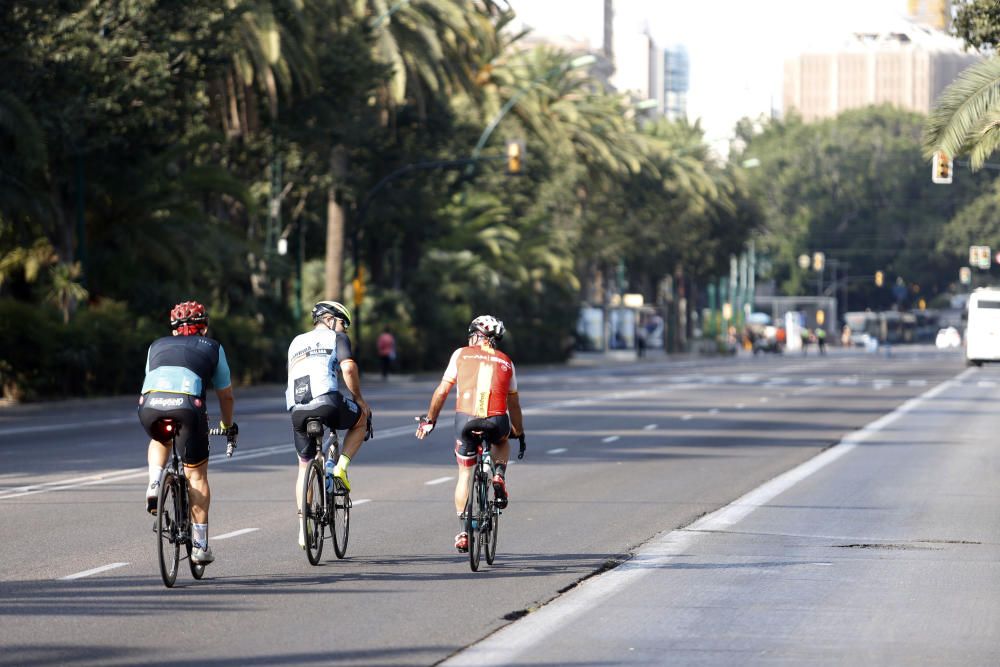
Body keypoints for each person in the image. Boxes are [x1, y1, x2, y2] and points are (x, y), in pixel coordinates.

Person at [415, 315, 525, 553]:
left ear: (476, 335)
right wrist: (520, 432)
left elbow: (442, 390)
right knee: (503, 441)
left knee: (464, 474)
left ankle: (464, 532)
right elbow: (513, 405)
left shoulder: (460, 354)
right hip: (496, 420)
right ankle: (499, 475)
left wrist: (429, 420)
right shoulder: (507, 361)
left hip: (464, 420)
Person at [138, 300, 236, 566]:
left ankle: (155, 482)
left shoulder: (156, 345)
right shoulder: (213, 347)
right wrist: (228, 426)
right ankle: (201, 547)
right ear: (204, 328)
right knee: (196, 475)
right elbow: (225, 396)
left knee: (160, 438)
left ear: (173, 331)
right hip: (187, 407)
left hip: (150, 405)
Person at [286, 301, 371, 549]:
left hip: (297, 407)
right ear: (330, 320)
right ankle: (340, 467)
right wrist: (358, 399)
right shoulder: (337, 338)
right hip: (327, 402)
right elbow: (349, 367)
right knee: (360, 419)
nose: (344, 328)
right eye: (343, 322)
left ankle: (304, 527)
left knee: (304, 465)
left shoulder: (295, 342)